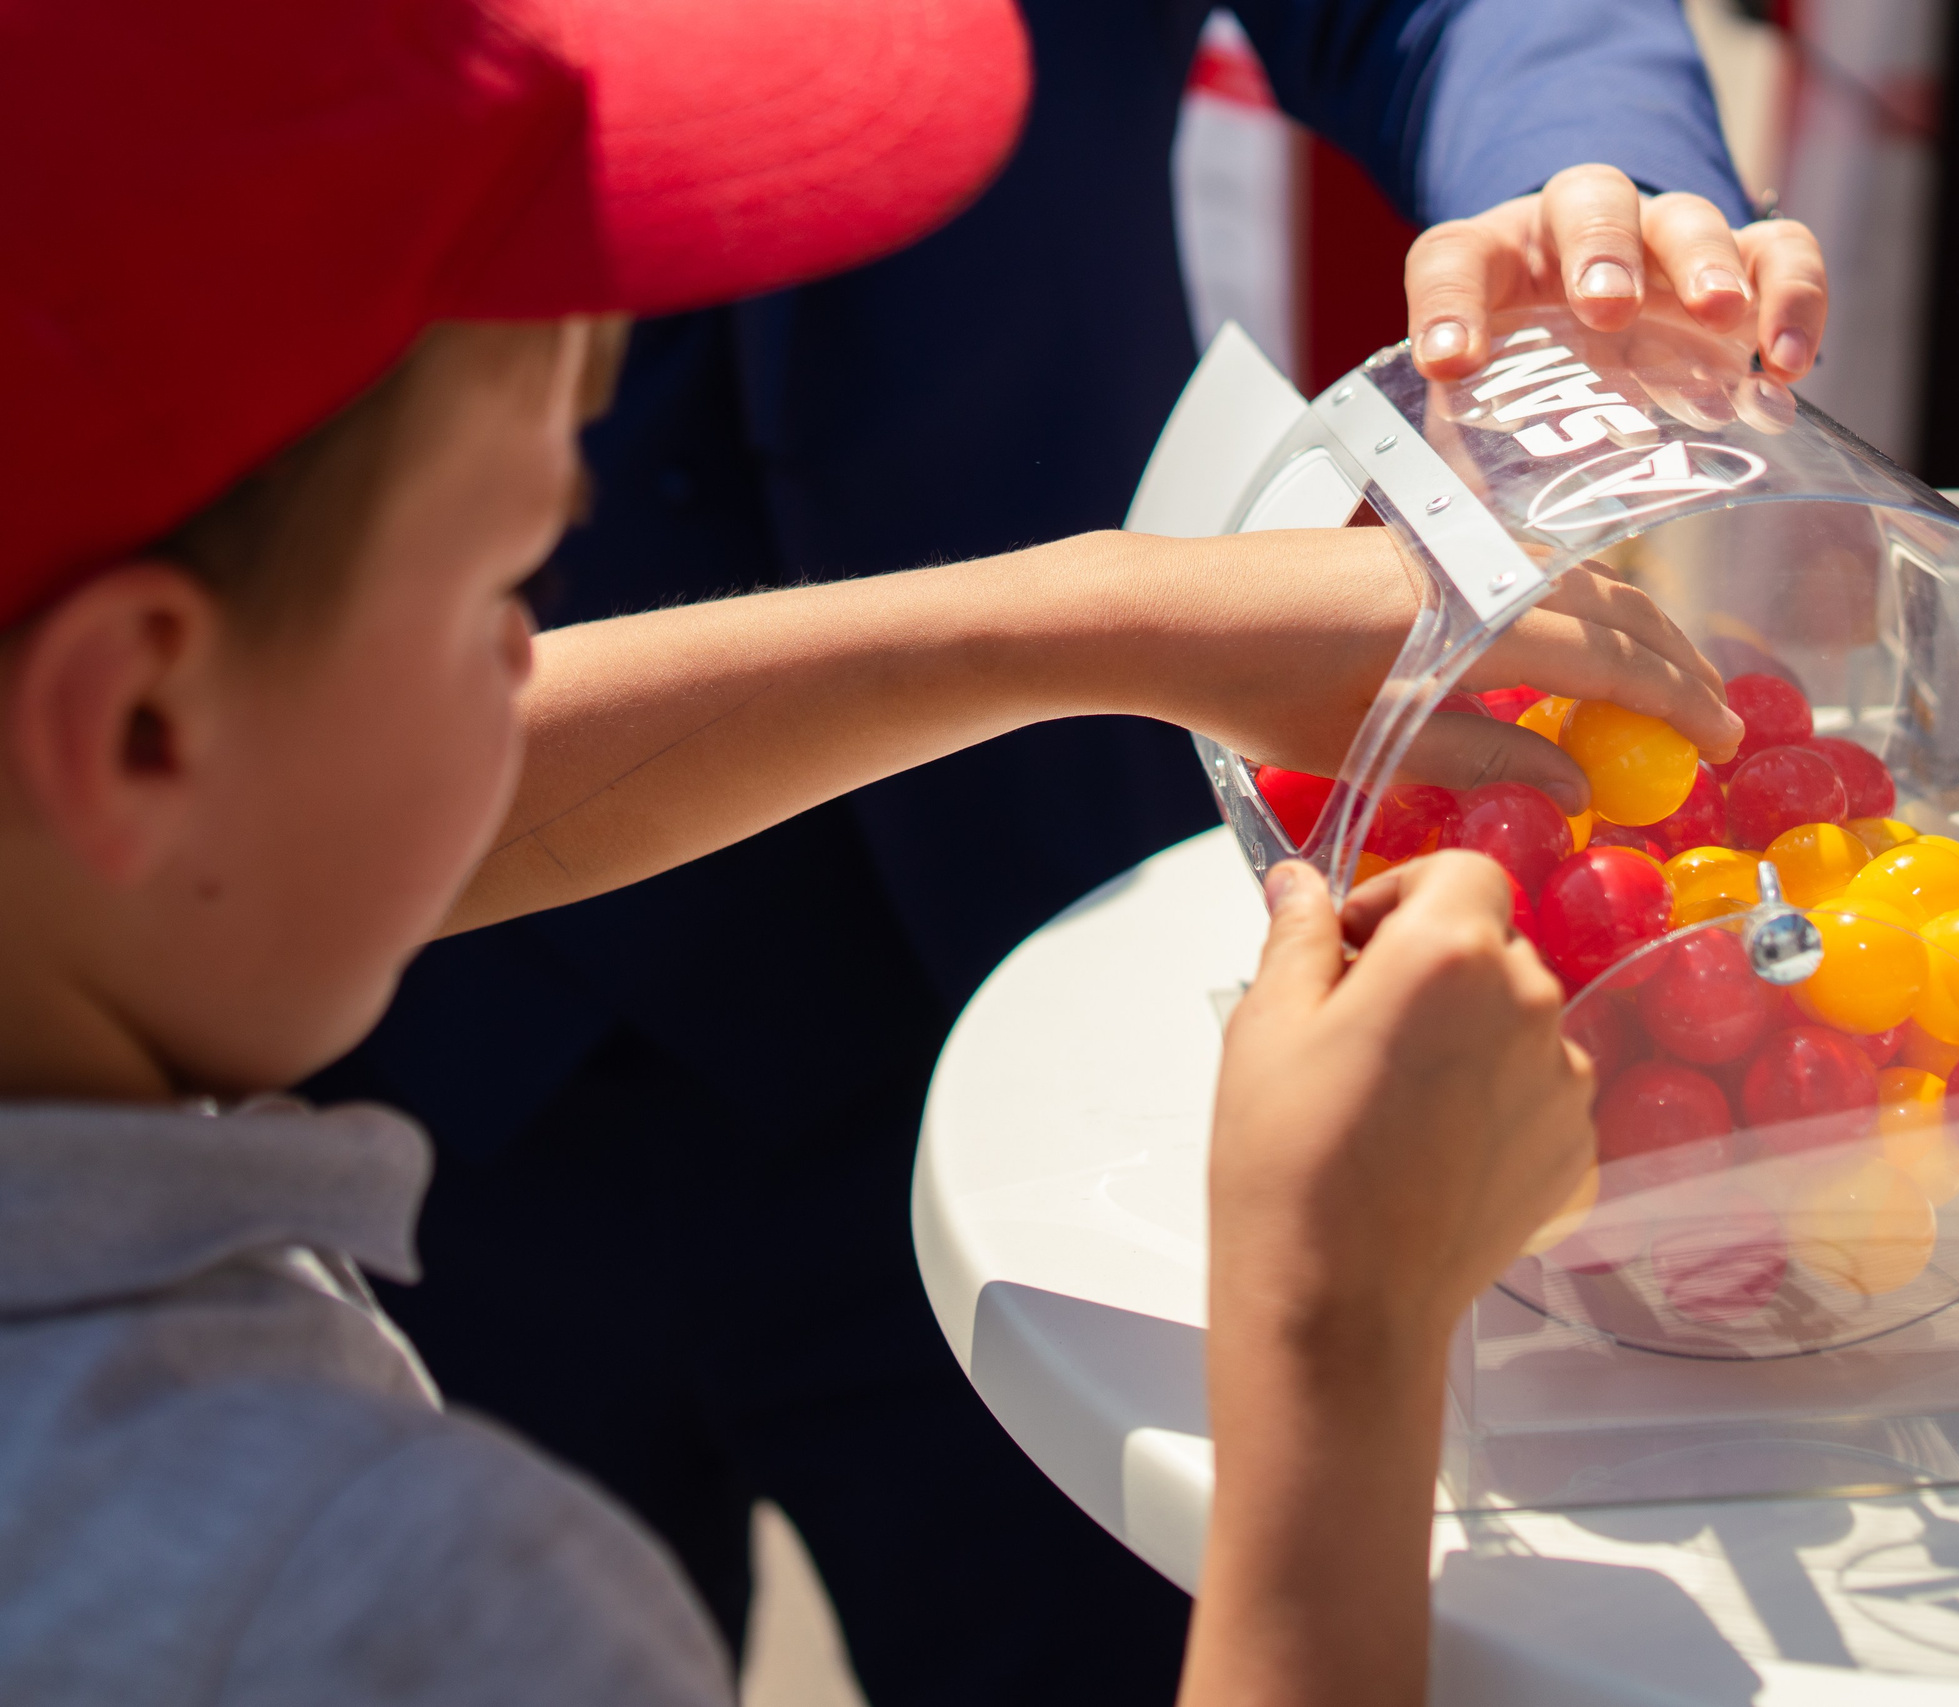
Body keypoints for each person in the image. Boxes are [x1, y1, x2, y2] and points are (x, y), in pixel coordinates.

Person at [0, 0, 1742, 1700]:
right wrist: (1336, 1348)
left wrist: (1093, 620)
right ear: (140, 723)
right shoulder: (404, 1593)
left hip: (950, 957)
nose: (531, 664)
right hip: (486, 1118)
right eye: (503, 598)